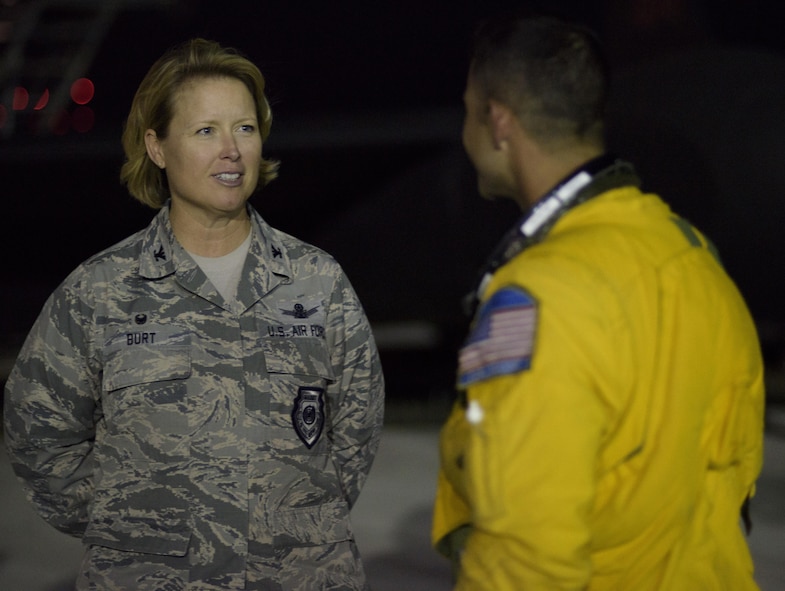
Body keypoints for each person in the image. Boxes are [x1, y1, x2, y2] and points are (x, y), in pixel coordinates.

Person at [3, 38, 384, 590]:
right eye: (206, 130)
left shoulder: (317, 281)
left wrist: (293, 522)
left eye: (245, 128)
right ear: (156, 147)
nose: (231, 149)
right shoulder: (101, 290)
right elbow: (38, 432)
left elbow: (355, 429)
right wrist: (130, 520)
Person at [431, 11, 765, 591]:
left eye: (467, 111)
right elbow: (735, 471)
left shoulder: (539, 296)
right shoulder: (693, 256)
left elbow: (526, 543)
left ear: (498, 121)